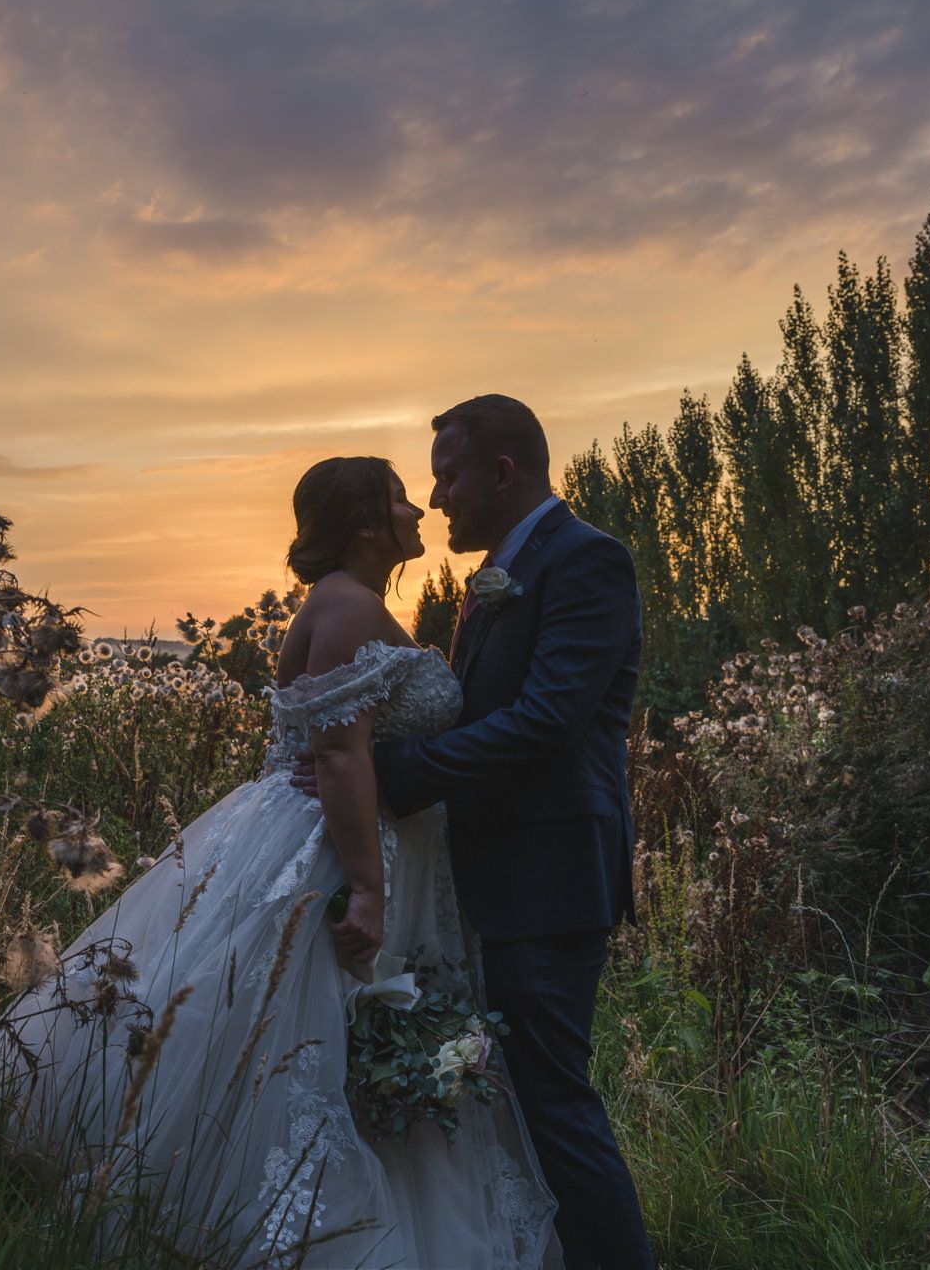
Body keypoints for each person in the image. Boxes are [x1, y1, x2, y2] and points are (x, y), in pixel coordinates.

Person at [0, 454, 563, 1268]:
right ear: (366, 523)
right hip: (331, 856)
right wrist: (366, 887)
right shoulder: (345, 609)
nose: (419, 510)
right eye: (402, 498)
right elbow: (336, 756)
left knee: (346, 1043)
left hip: (357, 842)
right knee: (317, 1045)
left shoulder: (349, 603)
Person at [295, 395, 654, 1269]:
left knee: (551, 1098)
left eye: (449, 477)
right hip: (486, 876)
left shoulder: (586, 561)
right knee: (517, 1098)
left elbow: (545, 722)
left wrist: (394, 781)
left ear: (502, 472)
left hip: (550, 876)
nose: (436, 496)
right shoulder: (492, 578)